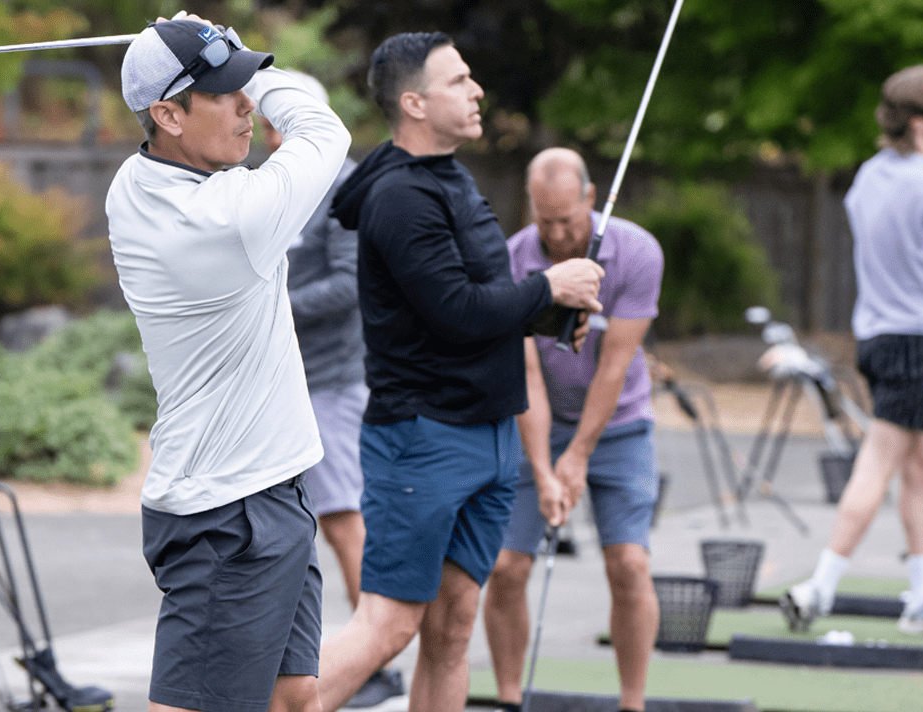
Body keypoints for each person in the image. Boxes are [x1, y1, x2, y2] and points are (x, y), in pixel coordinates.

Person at [314, 33, 604, 712]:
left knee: (452, 629)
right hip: (424, 439)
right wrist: (548, 290)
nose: (477, 91)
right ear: (414, 103)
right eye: (459, 81)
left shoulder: (448, 173)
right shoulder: (399, 197)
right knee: (388, 627)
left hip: (489, 432)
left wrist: (543, 312)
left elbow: (471, 298)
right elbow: (454, 312)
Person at [105, 13, 350, 712]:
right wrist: (259, 66)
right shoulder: (230, 219)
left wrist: (222, 59)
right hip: (227, 510)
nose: (248, 105)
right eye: (227, 93)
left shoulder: (135, 180)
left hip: (270, 485)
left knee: (295, 694)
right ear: (166, 114)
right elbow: (325, 130)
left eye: (247, 87)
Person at [780, 64, 923, 643]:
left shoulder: (867, 177)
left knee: (921, 465)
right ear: (921, 120)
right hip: (916, 340)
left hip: (873, 338)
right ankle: (818, 586)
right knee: (878, 465)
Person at [483, 148, 663, 712]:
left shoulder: (636, 252)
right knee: (508, 568)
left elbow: (615, 365)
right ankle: (511, 699)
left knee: (629, 565)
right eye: (544, 220)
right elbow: (527, 375)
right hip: (534, 425)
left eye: (568, 218)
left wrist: (579, 454)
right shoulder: (513, 259)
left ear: (591, 198)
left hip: (621, 426)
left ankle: (632, 702)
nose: (557, 234)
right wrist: (543, 468)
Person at [264, 72, 405, 709]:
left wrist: (265, 308)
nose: (263, 136)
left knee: (344, 518)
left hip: (334, 381)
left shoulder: (342, 185)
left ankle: (375, 656)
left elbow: (350, 287)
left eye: (272, 122)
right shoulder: (281, 181)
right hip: (287, 382)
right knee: (307, 523)